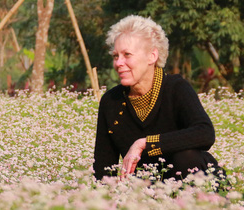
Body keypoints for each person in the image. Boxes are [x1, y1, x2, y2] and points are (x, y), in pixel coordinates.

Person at [94, 15, 225, 184]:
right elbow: (104, 169)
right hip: (148, 193)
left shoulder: (176, 88)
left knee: (186, 158)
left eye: (127, 55)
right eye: (115, 56)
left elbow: (205, 133)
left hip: (198, 187)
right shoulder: (111, 102)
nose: (119, 63)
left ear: (152, 56)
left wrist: (145, 144)